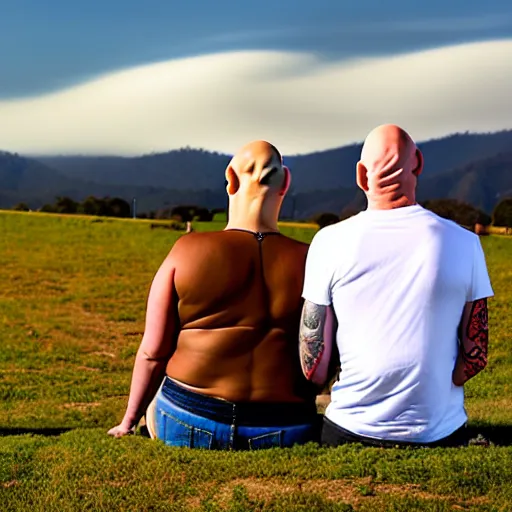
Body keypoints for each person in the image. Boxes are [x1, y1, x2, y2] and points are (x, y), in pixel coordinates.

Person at [108, 140, 318, 449]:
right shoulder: (312, 259)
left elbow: (153, 352)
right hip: (286, 424)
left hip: (190, 417)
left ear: (230, 179)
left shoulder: (187, 250)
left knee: (156, 405)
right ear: (285, 181)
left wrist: (128, 421)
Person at [299, 124, 494, 448]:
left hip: (348, 428)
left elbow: (313, 367)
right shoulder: (465, 242)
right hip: (438, 433)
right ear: (417, 163)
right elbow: (476, 356)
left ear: (362, 176)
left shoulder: (328, 242)